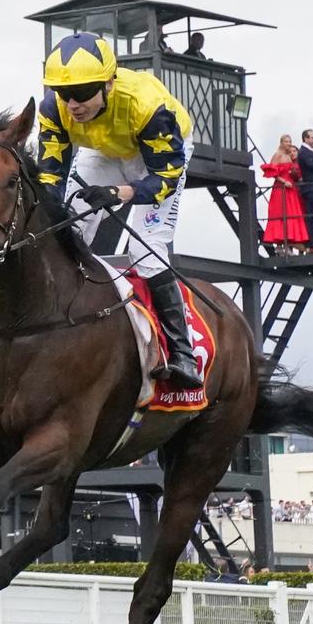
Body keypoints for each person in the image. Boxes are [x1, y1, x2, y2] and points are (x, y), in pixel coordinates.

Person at [37, 32, 202, 388]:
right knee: (68, 229)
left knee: (144, 250)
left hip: (156, 160)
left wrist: (119, 192)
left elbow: (165, 178)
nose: (72, 104)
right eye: (64, 94)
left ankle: (182, 353)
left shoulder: (147, 105)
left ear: (109, 85)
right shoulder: (53, 109)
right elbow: (50, 175)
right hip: (104, 150)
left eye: (82, 93)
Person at [261, 135, 309, 254]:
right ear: (281, 143)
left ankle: (287, 245)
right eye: (286, 141)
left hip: (290, 188)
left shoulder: (288, 156)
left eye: (290, 141)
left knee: (291, 214)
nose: (288, 143)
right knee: (281, 213)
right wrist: (284, 181)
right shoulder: (278, 155)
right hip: (281, 188)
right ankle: (278, 245)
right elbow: (273, 172)